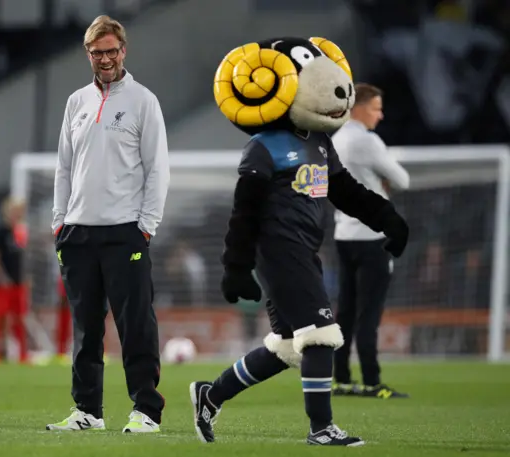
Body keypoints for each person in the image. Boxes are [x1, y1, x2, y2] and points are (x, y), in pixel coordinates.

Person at [189, 36, 409, 446]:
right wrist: (235, 267)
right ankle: (321, 429)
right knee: (323, 334)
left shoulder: (320, 143)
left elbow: (347, 192)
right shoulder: (263, 146)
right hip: (277, 252)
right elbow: (244, 212)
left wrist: (388, 219)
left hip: (304, 251)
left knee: (289, 346)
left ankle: (211, 394)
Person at [46, 15, 170, 434]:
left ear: (123, 51)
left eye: (111, 51)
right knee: (85, 331)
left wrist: (147, 226)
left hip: (125, 231)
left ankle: (146, 411)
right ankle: (88, 412)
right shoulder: (76, 102)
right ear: (88, 54)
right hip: (78, 233)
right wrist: (60, 222)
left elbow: (158, 170)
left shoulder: (143, 101)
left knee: (135, 325)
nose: (104, 59)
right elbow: (64, 168)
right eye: (97, 52)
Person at [331, 83, 410, 398]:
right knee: (369, 312)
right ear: (359, 108)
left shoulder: (334, 140)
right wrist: (382, 181)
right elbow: (403, 179)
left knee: (345, 311)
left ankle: (340, 379)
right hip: (371, 235)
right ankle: (372, 382)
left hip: (342, 234)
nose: (380, 115)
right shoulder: (367, 140)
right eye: (376, 108)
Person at [0, 197, 28, 363]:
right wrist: (1, 277)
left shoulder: (21, 232)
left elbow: (24, 258)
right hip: (3, 284)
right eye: (15, 211)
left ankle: (23, 354)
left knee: (19, 320)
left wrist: (26, 278)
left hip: (19, 283)